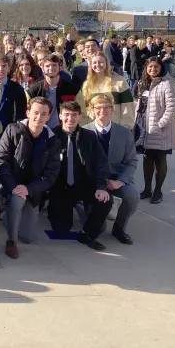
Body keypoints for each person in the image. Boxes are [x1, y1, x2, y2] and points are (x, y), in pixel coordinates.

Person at [0, 97, 62, 259]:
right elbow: (1, 162)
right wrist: (13, 187)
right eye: (36, 112)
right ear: (28, 113)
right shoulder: (13, 130)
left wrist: (29, 189)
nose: (39, 117)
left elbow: (51, 175)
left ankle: (6, 213)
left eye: (43, 114)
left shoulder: (53, 141)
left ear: (49, 116)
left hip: (33, 192)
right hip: (12, 186)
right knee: (17, 201)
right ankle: (11, 242)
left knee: (28, 238)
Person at [49, 101, 113, 250]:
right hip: (61, 188)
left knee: (105, 201)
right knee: (61, 229)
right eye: (66, 115)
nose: (70, 119)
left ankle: (87, 234)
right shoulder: (52, 136)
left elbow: (101, 163)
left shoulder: (89, 137)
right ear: (60, 116)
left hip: (84, 185)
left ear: (79, 117)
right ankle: (69, 208)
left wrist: (101, 187)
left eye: (74, 115)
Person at [83, 94, 138, 244]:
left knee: (131, 196)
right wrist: (97, 183)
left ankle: (119, 228)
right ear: (91, 110)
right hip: (93, 181)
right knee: (98, 228)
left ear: (112, 110)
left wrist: (120, 181)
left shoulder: (124, 133)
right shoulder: (84, 132)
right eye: (98, 108)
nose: (102, 111)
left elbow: (132, 161)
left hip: (116, 178)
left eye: (106, 107)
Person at [135, 57, 175, 204]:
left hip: (161, 129)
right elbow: (139, 104)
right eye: (150, 67)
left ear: (161, 68)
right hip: (144, 128)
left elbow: (172, 108)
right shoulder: (143, 83)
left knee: (160, 159)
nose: (153, 69)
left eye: (156, 67)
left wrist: (161, 124)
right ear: (146, 68)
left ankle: (158, 190)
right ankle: (147, 189)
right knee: (147, 158)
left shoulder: (167, 83)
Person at [76, 52, 135, 129]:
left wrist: (125, 128)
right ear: (90, 65)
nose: (97, 65)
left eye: (101, 62)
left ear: (106, 63)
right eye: (94, 63)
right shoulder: (86, 85)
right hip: (93, 130)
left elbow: (128, 107)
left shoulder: (120, 82)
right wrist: (84, 127)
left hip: (115, 128)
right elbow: (81, 109)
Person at [27, 53, 78, 130]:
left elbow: (81, 112)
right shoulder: (33, 90)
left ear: (60, 67)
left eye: (54, 65)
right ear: (42, 67)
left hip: (64, 131)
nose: (51, 68)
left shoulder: (71, 89)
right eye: (47, 66)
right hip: (40, 131)